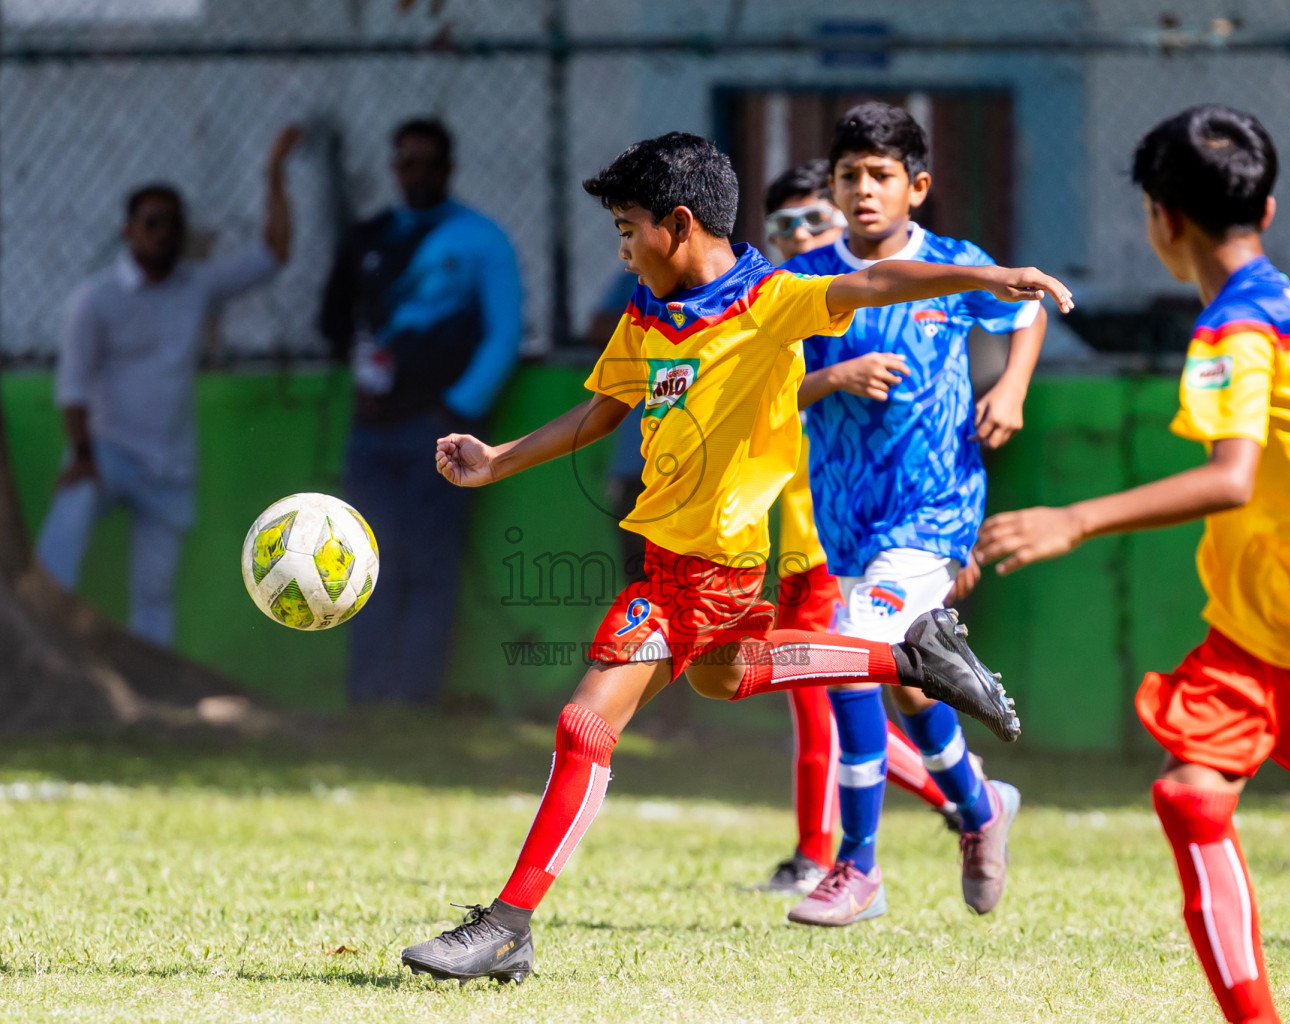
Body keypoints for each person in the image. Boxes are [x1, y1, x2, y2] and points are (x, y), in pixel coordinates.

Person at [400, 131, 1071, 983]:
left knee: (585, 722)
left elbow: (874, 281)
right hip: (672, 564)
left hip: (710, 571)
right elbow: (602, 414)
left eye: (627, 226)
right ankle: (908, 655)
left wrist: (987, 276)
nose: (621, 245)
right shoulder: (646, 312)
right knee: (728, 676)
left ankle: (507, 923)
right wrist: (499, 459)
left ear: (678, 225)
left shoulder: (769, 300)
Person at [974, 105, 1290, 1024]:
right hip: (1266, 617)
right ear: (1267, 207)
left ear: (1161, 218)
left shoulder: (1233, 332)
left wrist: (1075, 517)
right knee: (1190, 796)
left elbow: (1230, 478)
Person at [776, 103, 1049, 926]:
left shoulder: (957, 266)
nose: (863, 190)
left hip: (935, 507)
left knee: (854, 655)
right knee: (909, 687)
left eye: (881, 176)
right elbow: (769, 391)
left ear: (916, 188)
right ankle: (978, 805)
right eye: (849, 175)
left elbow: (1025, 309)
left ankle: (858, 867)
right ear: (832, 183)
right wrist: (837, 375)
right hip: (845, 513)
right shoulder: (807, 281)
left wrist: (1012, 387)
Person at [756, 159, 961, 898]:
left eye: (815, 219)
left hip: (841, 547)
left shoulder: (885, 311)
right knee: (840, 692)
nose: (798, 234)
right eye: (782, 226)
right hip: (792, 545)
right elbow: (762, 408)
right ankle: (967, 800)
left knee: (828, 693)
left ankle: (826, 855)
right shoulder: (772, 312)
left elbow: (936, 434)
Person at [36, 126, 300, 645]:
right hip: (106, 453)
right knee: (66, 527)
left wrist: (272, 175)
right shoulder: (95, 300)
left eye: (175, 224)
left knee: (156, 591)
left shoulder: (197, 284)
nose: (165, 233)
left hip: (170, 464)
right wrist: (83, 457)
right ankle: (42, 633)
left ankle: (151, 686)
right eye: (153, 222)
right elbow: (72, 385)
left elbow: (273, 254)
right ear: (128, 230)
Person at [318, 117, 523, 706]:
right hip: (371, 431)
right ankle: (367, 696)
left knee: (430, 565)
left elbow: (504, 333)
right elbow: (336, 324)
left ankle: (415, 698)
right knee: (360, 565)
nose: (418, 172)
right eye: (407, 161)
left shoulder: (480, 238)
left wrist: (455, 410)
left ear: (449, 168)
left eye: (430, 161)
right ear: (394, 167)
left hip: (439, 432)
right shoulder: (368, 238)